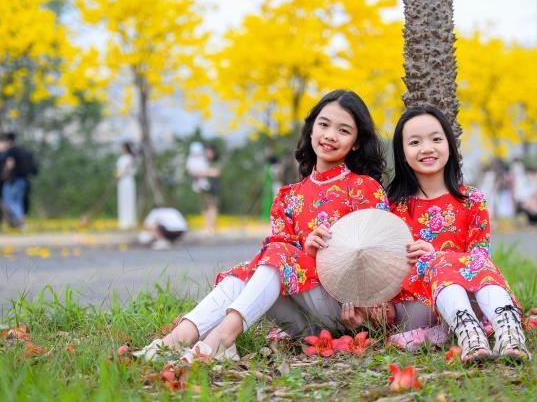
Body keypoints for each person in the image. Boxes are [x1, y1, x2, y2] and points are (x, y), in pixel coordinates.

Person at [134, 89, 389, 362]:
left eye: (343, 130)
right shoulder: (288, 196)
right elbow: (276, 258)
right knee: (248, 271)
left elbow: (380, 256)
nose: (329, 135)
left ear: (356, 143)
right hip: (302, 321)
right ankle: (172, 342)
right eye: (323, 125)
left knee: (278, 254)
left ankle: (221, 339)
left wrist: (329, 254)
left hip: (346, 312)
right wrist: (307, 251)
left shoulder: (364, 189)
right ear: (311, 129)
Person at [387, 104, 529, 365]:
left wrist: (439, 256)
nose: (427, 148)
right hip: (416, 304)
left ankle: (509, 331)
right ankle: (469, 334)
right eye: (415, 142)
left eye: (436, 139)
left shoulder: (472, 199)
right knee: (439, 261)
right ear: (402, 152)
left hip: (471, 296)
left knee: (475, 262)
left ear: (450, 146)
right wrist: (433, 258)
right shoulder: (392, 208)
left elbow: (479, 258)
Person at [1, 132, 29, 227]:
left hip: (14, 180)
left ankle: (20, 221)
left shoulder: (11, 151)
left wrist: (4, 173)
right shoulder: (22, 150)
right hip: (23, 180)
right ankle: (19, 222)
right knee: (18, 201)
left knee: (9, 201)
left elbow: (10, 164)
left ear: (8, 141)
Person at [116, 141, 137, 229]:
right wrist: (118, 176)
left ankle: (130, 221)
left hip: (128, 180)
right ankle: (123, 222)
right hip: (121, 181)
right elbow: (119, 170)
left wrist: (123, 174)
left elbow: (132, 171)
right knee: (122, 201)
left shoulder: (131, 159)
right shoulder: (121, 158)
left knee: (129, 200)